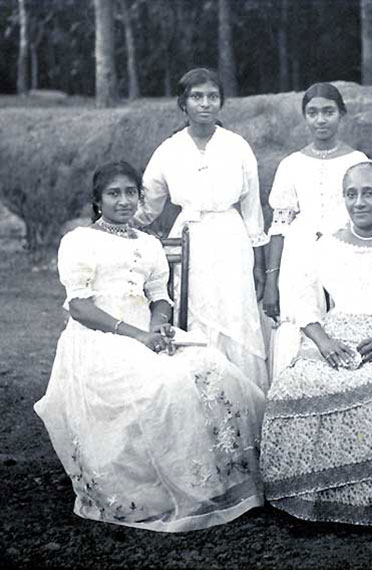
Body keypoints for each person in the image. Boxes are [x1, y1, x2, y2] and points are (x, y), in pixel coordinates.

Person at [34, 161, 267, 532]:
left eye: (131, 193)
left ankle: (218, 479)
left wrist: (159, 326)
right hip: (97, 340)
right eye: (114, 194)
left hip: (145, 332)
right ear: (97, 201)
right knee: (163, 386)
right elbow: (79, 307)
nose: (124, 201)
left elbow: (160, 296)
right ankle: (152, 486)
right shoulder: (79, 241)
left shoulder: (148, 243)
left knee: (212, 367)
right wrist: (137, 336)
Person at [260, 163, 372, 525]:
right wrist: (324, 341)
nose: (360, 202)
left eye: (369, 193)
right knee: (299, 383)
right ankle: (308, 497)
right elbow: (303, 299)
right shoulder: (326, 245)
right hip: (334, 333)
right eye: (352, 194)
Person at [132, 67, 268, 392]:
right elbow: (148, 206)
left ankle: (243, 398)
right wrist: (112, 230)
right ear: (183, 103)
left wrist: (260, 263)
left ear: (221, 102)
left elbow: (252, 211)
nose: (205, 104)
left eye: (212, 96)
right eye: (196, 97)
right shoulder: (169, 150)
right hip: (190, 238)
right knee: (192, 311)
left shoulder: (237, 146)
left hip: (231, 238)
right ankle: (199, 400)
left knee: (235, 312)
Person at [262, 83, 369, 378]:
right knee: (298, 321)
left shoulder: (358, 161)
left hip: (345, 252)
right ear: (305, 117)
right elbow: (280, 225)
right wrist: (271, 283)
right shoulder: (291, 164)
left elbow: (367, 217)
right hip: (299, 255)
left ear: (341, 114)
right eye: (313, 113)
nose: (320, 119)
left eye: (328, 112)